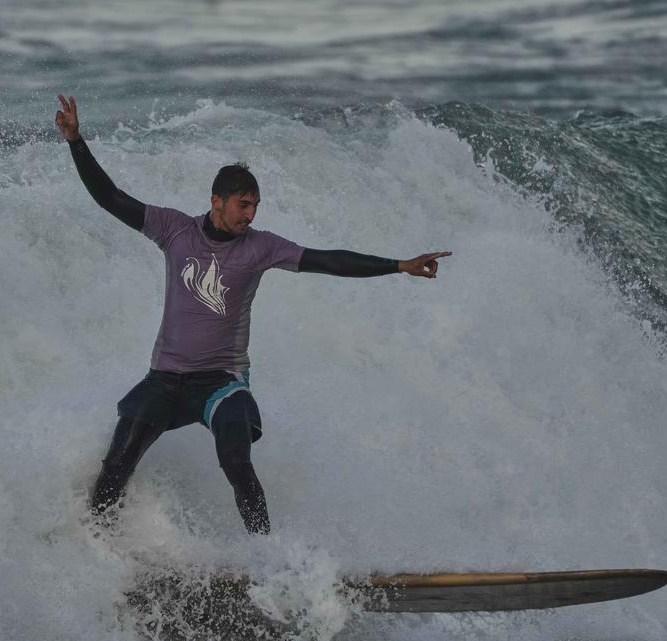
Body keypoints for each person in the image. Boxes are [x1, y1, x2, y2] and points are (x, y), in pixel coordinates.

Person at [56, 95, 451, 534]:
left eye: (255, 206)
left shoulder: (261, 247)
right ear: (216, 201)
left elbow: (328, 260)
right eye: (243, 204)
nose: (251, 214)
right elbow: (109, 197)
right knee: (118, 462)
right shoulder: (174, 229)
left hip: (222, 381)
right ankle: (97, 544)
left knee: (236, 458)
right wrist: (76, 141)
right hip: (165, 377)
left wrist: (397, 265)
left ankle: (266, 556)